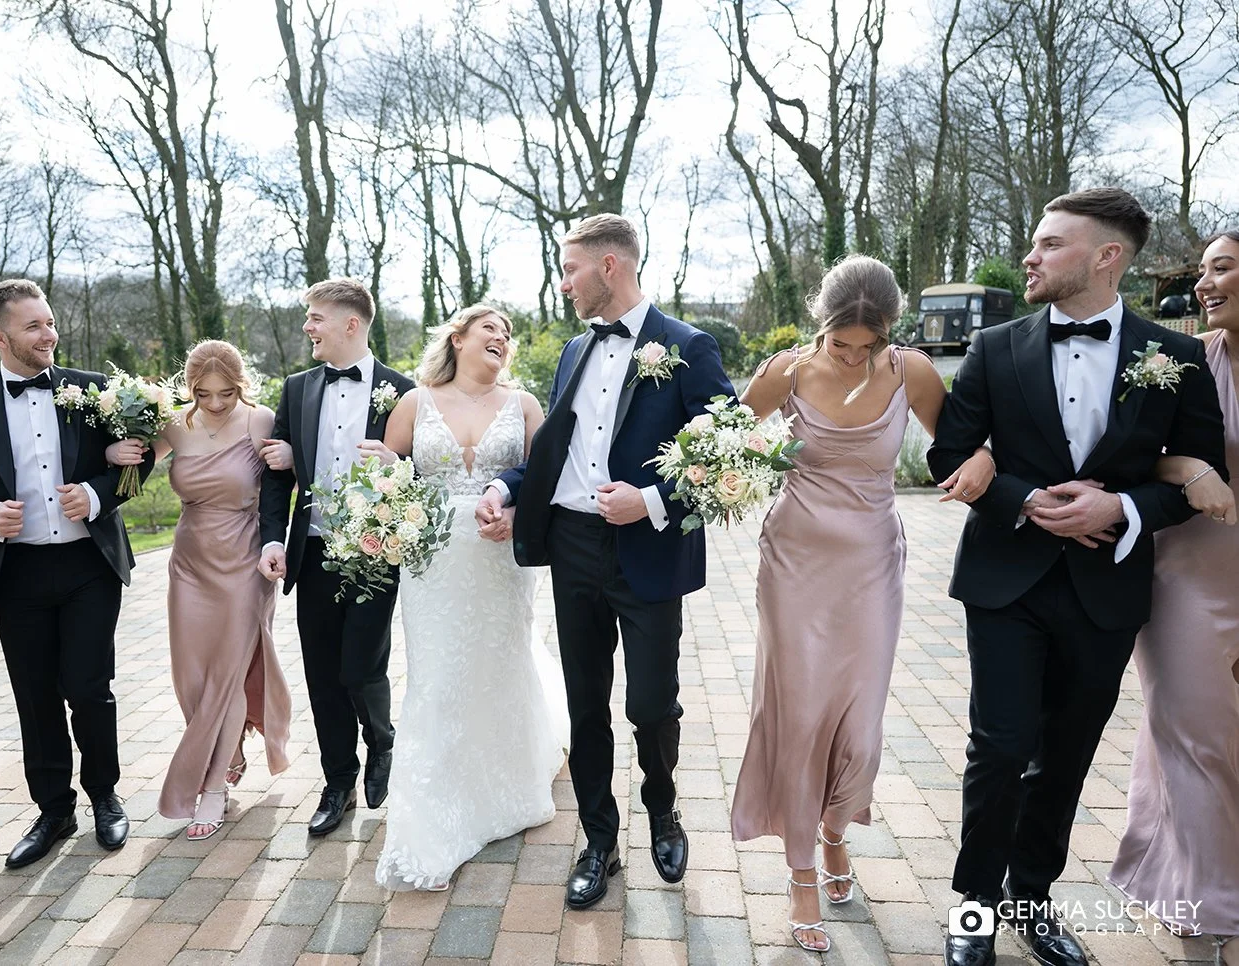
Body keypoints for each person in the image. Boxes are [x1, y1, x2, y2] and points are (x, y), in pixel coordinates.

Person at [928, 188, 1227, 966]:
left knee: (1064, 753)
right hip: (1006, 580)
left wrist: (1122, 508)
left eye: (1051, 244)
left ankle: (1033, 900)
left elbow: (1195, 478)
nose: (1030, 256)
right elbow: (948, 456)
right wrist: (1022, 498)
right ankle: (973, 914)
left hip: (1108, 587)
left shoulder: (1177, 357)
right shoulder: (995, 349)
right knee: (999, 747)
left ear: (1106, 258)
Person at [731, 256, 996, 952]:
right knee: (797, 711)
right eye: (840, 345)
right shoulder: (784, 372)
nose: (852, 357)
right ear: (820, 326)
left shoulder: (911, 372)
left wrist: (986, 460)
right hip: (792, 564)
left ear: (888, 333)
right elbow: (721, 442)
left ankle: (835, 830)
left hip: (873, 564)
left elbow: (957, 450)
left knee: (860, 720)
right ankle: (799, 873)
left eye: (866, 346)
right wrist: (723, 473)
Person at [474, 214, 735, 909]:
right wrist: (505, 488)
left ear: (610, 267)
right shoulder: (571, 353)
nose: (563, 284)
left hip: (649, 549)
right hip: (573, 547)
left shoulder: (689, 346)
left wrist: (652, 499)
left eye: (570, 270)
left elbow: (730, 452)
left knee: (652, 705)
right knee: (587, 703)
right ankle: (598, 841)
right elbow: (554, 454)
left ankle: (664, 808)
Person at [349, 304, 569, 891]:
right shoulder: (415, 403)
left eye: (508, 332)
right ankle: (434, 808)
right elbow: (383, 476)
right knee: (439, 676)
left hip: (501, 559)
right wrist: (377, 482)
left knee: (501, 664)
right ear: (459, 338)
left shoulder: (523, 406)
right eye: (490, 329)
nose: (502, 337)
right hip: (434, 564)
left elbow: (545, 481)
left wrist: (518, 513)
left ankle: (506, 782)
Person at [0, 279, 152, 870]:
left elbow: (142, 458)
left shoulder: (95, 391)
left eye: (50, 322)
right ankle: (53, 811)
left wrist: (97, 492)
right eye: (33, 326)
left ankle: (105, 796)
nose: (49, 334)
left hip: (89, 565)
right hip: (20, 574)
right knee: (34, 696)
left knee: (88, 687)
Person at [1109, 229, 1239, 960]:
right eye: (1204, 270)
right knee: (1193, 741)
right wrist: (1188, 469)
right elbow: (1133, 455)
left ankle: (1193, 882)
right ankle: (1205, 921)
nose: (1205, 283)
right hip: (1187, 574)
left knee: (1228, 747)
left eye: (1222, 268)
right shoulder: (1183, 362)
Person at [106, 340, 293, 840]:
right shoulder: (172, 424)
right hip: (189, 561)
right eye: (203, 394)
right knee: (192, 675)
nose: (214, 404)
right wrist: (111, 451)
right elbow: (130, 471)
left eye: (226, 394)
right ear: (189, 389)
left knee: (226, 674)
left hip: (243, 561)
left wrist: (293, 458)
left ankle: (212, 788)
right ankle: (228, 752)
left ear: (241, 386)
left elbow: (289, 478)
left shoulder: (260, 421)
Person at [256, 278, 415, 836]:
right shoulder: (296, 388)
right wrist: (273, 538)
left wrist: (398, 466)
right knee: (323, 676)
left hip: (376, 552)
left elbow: (422, 473)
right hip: (314, 549)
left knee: (360, 666)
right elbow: (274, 478)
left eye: (316, 318)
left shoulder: (404, 391)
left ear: (352, 324)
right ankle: (337, 782)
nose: (308, 328)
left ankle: (382, 739)